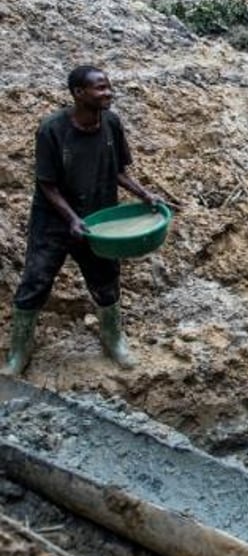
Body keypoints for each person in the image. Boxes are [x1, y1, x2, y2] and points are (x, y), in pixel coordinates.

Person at [2, 66, 164, 376]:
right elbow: (46, 185)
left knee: (105, 280)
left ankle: (113, 339)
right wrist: (73, 219)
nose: (108, 93)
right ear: (79, 93)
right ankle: (19, 352)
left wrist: (145, 194)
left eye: (108, 86)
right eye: (100, 88)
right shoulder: (52, 130)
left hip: (99, 220)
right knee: (36, 280)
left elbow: (118, 171)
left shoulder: (111, 124)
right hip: (54, 221)